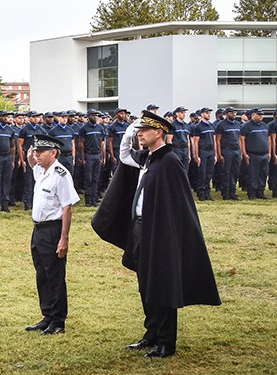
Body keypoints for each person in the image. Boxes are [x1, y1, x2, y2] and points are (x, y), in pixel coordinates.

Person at [92, 111, 221, 358]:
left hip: (161, 232)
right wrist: (131, 128)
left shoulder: (170, 162)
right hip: (142, 229)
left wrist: (166, 234)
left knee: (163, 285)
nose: (140, 133)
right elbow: (124, 154)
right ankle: (151, 334)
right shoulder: (148, 158)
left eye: (144, 130)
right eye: (139, 130)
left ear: (159, 132)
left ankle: (166, 342)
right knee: (146, 285)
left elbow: (176, 206)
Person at [24, 134, 79, 335]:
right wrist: (31, 154)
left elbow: (67, 208)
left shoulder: (60, 174)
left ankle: (58, 321)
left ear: (53, 153)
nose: (36, 155)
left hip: (53, 230)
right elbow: (32, 163)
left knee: (55, 276)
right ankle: (47, 315)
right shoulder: (42, 170)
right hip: (38, 229)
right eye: (36, 151)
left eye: (41, 152)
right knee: (42, 274)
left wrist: (64, 238)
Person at [240, 108, 271, 199]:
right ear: (253, 115)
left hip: (264, 154)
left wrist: (269, 152)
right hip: (253, 154)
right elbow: (242, 140)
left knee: (263, 174)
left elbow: (268, 140)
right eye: (259, 114)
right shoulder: (247, 126)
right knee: (253, 174)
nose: (261, 116)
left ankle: (260, 192)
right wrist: (244, 153)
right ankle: (252, 193)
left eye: (262, 114)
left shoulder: (265, 126)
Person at [78, 109, 106, 207]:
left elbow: (102, 143)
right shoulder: (84, 128)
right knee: (88, 179)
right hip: (88, 155)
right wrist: (83, 158)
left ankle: (95, 198)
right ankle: (88, 200)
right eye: (93, 115)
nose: (95, 117)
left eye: (96, 115)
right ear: (89, 116)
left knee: (96, 178)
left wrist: (103, 156)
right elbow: (81, 144)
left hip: (98, 154)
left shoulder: (100, 128)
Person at [214, 107, 242, 200]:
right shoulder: (221, 125)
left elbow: (239, 139)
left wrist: (240, 151)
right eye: (231, 113)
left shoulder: (238, 124)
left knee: (235, 172)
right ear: (226, 114)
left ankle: (232, 191)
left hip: (236, 150)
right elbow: (218, 140)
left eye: (235, 112)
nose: (234, 114)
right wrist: (219, 154)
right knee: (226, 172)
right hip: (226, 150)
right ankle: (225, 192)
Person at [191, 108, 217, 201]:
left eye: (209, 113)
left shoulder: (212, 126)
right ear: (202, 114)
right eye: (206, 113)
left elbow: (214, 140)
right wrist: (196, 156)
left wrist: (215, 154)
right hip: (203, 151)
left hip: (211, 151)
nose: (209, 114)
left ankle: (207, 193)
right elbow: (196, 142)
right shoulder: (198, 127)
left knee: (209, 173)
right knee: (202, 173)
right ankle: (201, 193)